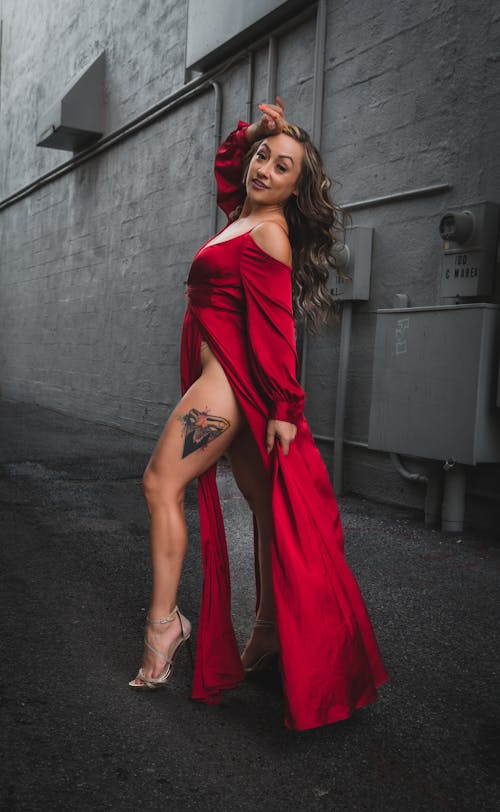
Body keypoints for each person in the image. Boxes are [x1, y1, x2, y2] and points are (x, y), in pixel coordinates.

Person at [129, 98, 388, 731]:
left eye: (283, 166)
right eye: (264, 159)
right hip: (226, 384)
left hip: (230, 387)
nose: (265, 169)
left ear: (297, 188)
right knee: (267, 510)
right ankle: (271, 634)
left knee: (161, 483)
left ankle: (165, 628)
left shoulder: (267, 232)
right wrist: (255, 131)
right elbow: (229, 165)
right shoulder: (237, 218)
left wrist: (285, 409)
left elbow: (276, 331)